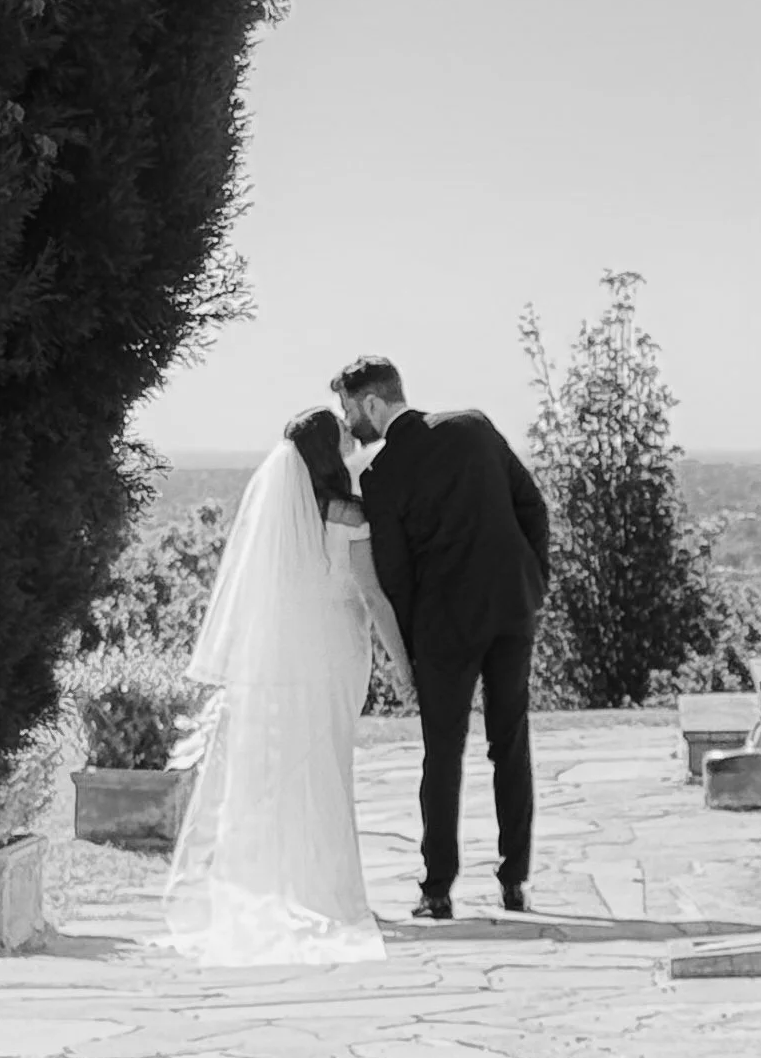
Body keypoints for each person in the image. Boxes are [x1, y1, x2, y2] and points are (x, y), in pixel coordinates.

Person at [163, 407, 413, 968]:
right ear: (329, 451)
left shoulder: (278, 523)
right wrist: (404, 664)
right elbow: (372, 597)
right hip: (335, 653)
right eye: (344, 434)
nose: (352, 438)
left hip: (286, 656)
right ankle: (327, 890)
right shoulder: (350, 514)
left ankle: (289, 886)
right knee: (327, 762)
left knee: (289, 766)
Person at [331, 355, 550, 923]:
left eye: (349, 408)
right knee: (511, 742)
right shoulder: (474, 426)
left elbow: (396, 577)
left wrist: (406, 655)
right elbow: (532, 505)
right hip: (510, 608)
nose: (348, 420)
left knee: (443, 755)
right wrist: (534, 581)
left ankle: (438, 890)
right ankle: (514, 880)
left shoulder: (380, 476)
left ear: (373, 404)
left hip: (443, 629)